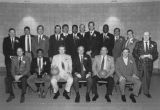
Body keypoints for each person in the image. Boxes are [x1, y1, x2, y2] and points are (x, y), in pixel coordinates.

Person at [133, 31, 158, 98]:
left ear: (150, 36)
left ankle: (146, 92)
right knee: (138, 78)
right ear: (143, 36)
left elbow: (156, 54)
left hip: (149, 64)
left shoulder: (154, 43)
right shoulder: (138, 43)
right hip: (139, 64)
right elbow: (134, 52)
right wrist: (139, 57)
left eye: (147, 35)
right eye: (144, 35)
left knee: (147, 79)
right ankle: (137, 91)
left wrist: (152, 57)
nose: (146, 36)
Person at [3, 28, 20, 93]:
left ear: (15, 33)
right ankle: (8, 89)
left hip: (16, 59)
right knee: (9, 74)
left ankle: (15, 83)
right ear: (9, 33)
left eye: (13, 32)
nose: (12, 33)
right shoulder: (6, 39)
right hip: (8, 60)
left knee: (16, 72)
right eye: (11, 32)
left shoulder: (18, 39)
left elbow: (20, 49)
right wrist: (10, 56)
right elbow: (4, 50)